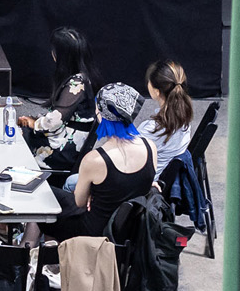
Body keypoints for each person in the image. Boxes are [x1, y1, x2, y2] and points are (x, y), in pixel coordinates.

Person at [41, 82, 157, 242]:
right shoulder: (150, 147)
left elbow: (79, 202)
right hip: (128, 231)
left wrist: (92, 194)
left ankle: (42, 255)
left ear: (102, 115)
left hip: (92, 231)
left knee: (43, 198)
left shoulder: (95, 159)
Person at [16, 26, 97, 175]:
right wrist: (34, 121)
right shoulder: (82, 77)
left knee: (19, 138)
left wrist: (34, 123)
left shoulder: (77, 83)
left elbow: (54, 120)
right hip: (68, 137)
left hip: (66, 149)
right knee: (24, 130)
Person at [144, 59, 195, 176]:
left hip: (148, 185)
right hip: (167, 179)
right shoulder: (184, 119)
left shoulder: (150, 129)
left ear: (156, 92)